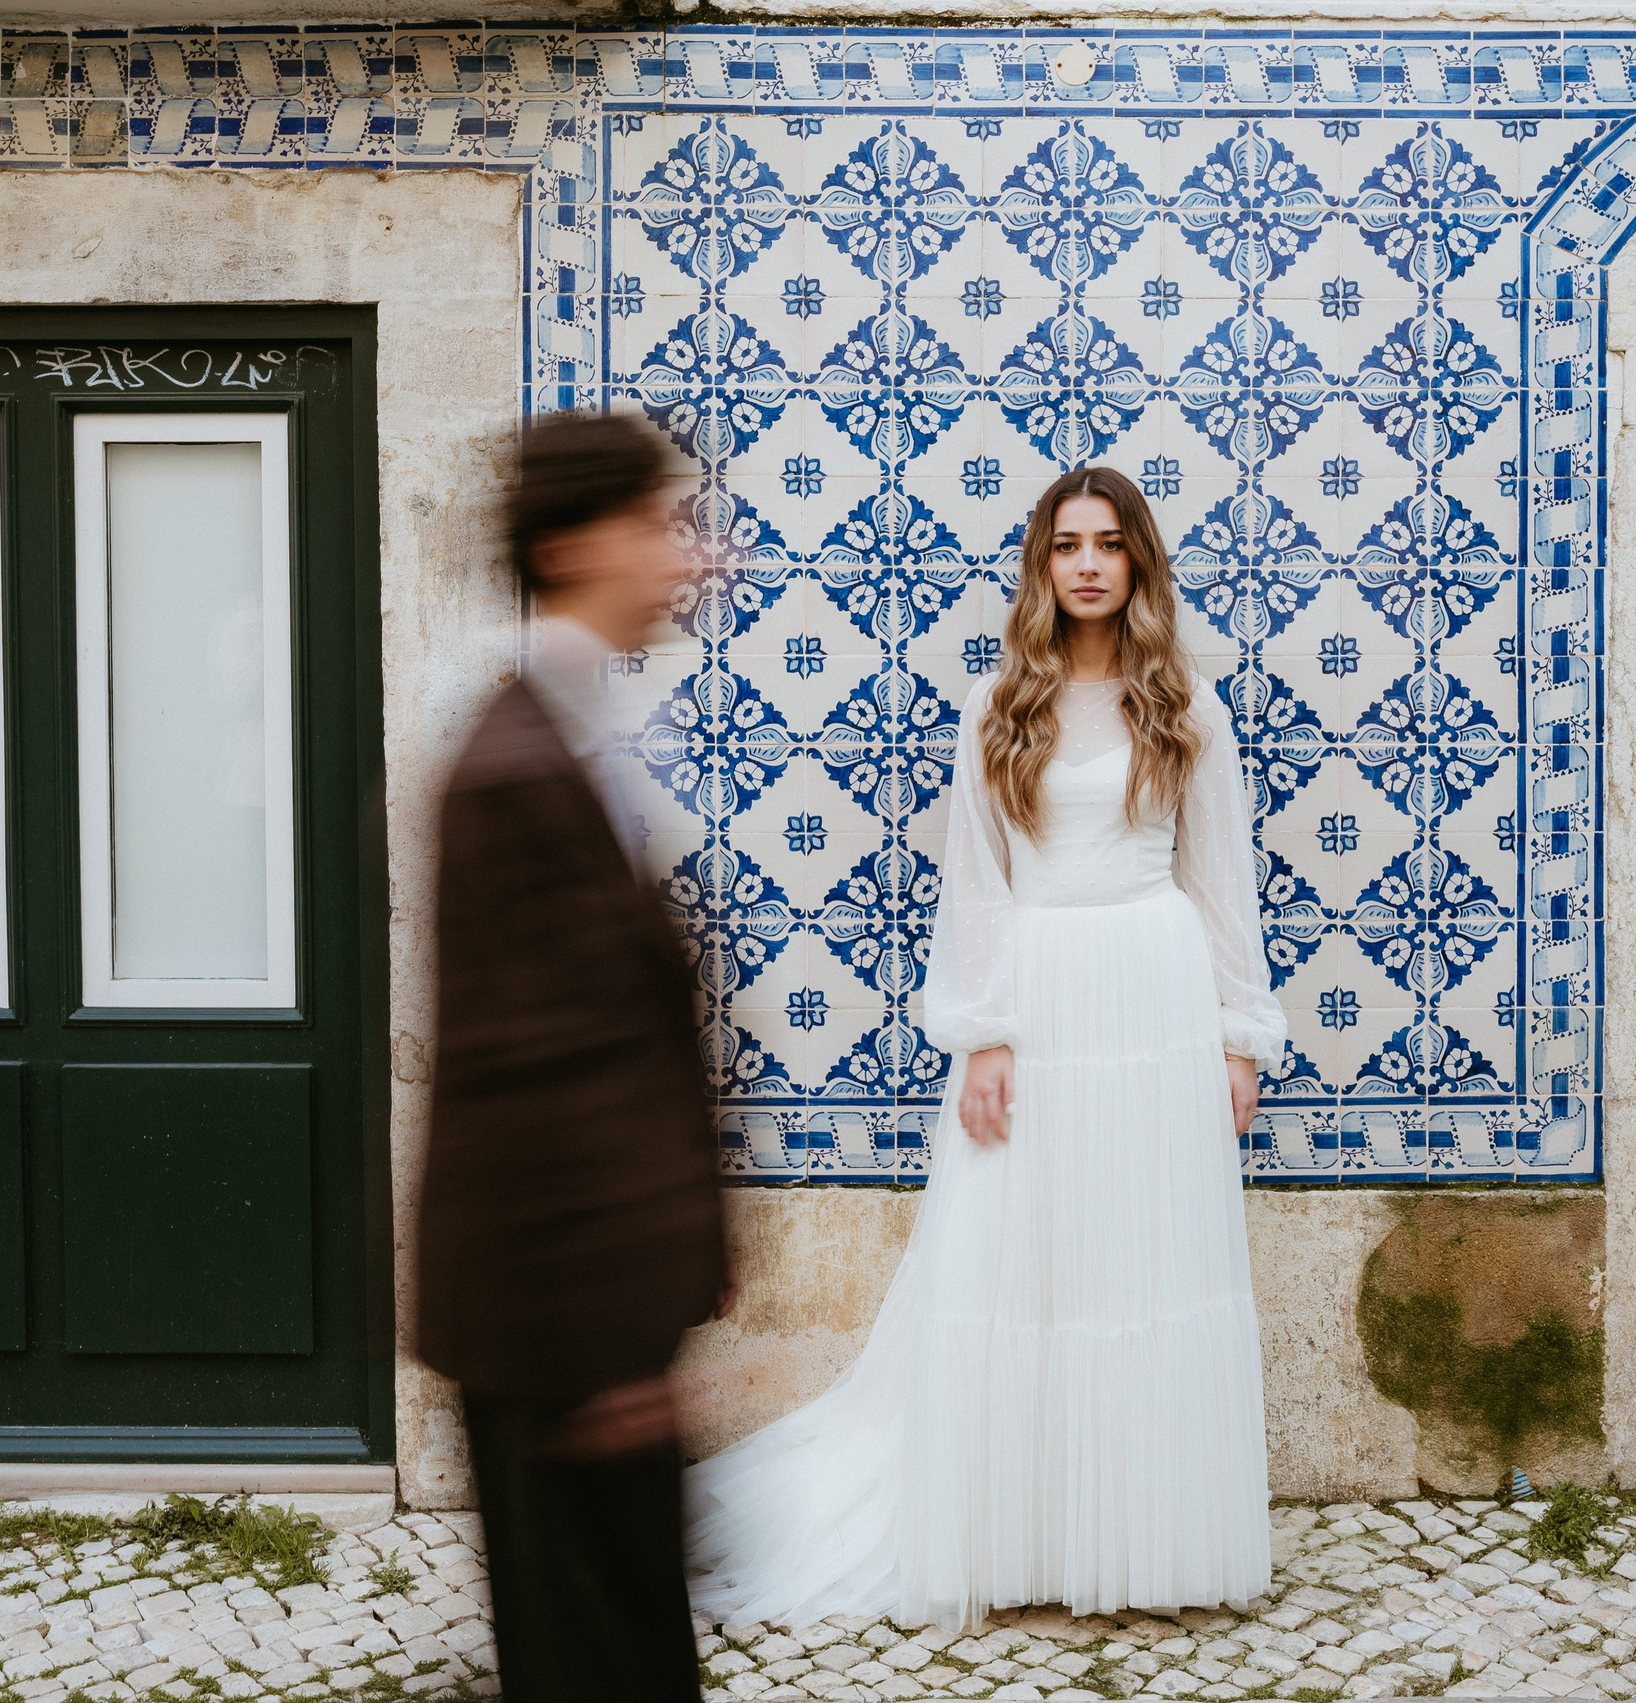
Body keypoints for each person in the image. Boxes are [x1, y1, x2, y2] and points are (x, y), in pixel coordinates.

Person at [687, 465, 1285, 1631]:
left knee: (1144, 1263)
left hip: (1157, 996)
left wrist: (1239, 1038)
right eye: (1068, 544)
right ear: (1041, 564)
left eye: (1111, 543)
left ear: (1139, 562)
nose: (1089, 564)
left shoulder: (1186, 708)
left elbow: (1222, 887)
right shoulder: (1001, 702)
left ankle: (1142, 1542)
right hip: (1044, 994)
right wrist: (986, 1035)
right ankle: (1019, 1531)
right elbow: (977, 886)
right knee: (1029, 1262)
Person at [415, 409, 727, 1702]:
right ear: (574, 542)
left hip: (593, 1323)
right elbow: (536, 1081)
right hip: (559, 1334)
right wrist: (609, 1356)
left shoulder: (573, 737)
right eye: (663, 524)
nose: (693, 557)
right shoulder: (513, 769)